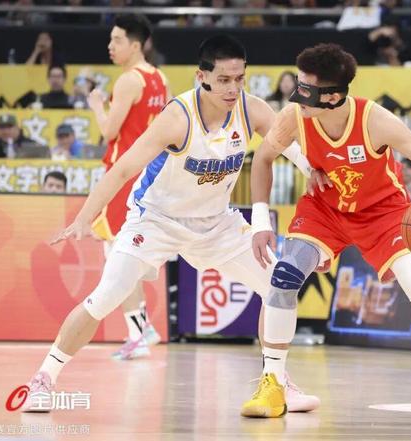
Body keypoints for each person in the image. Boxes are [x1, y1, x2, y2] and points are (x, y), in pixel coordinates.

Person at [20, 35, 320, 415]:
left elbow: (292, 146)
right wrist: (84, 217)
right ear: (201, 76)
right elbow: (123, 169)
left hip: (216, 223)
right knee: (107, 295)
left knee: (278, 286)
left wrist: (313, 171)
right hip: (156, 220)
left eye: (239, 79)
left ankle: (276, 382)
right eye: (224, 80)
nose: (233, 88)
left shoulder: (252, 109)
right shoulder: (178, 118)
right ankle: (43, 378)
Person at [250, 42, 411, 423]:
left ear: (332, 97)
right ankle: (273, 382)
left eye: (306, 89)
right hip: (325, 210)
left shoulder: (375, 120)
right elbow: (263, 160)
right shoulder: (294, 116)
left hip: (384, 214)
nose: (296, 95)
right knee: (283, 277)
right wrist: (261, 222)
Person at [86, 14, 169, 360]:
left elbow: (109, 132)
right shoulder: (160, 78)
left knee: (119, 255)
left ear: (135, 45)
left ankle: (138, 334)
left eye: (117, 40)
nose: (110, 45)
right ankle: (143, 328)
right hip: (149, 174)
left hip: (125, 175)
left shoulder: (127, 81)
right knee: (128, 253)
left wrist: (96, 106)